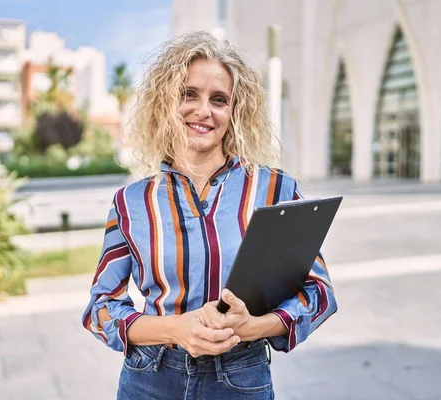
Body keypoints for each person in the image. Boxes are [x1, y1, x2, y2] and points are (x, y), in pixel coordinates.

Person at [82, 31, 337, 399]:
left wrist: (252, 327)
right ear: (166, 102)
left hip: (240, 377)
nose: (203, 111)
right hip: (150, 379)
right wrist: (175, 329)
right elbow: (101, 308)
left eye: (219, 99)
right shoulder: (131, 202)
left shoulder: (274, 190)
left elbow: (319, 292)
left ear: (234, 111)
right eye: (189, 94)